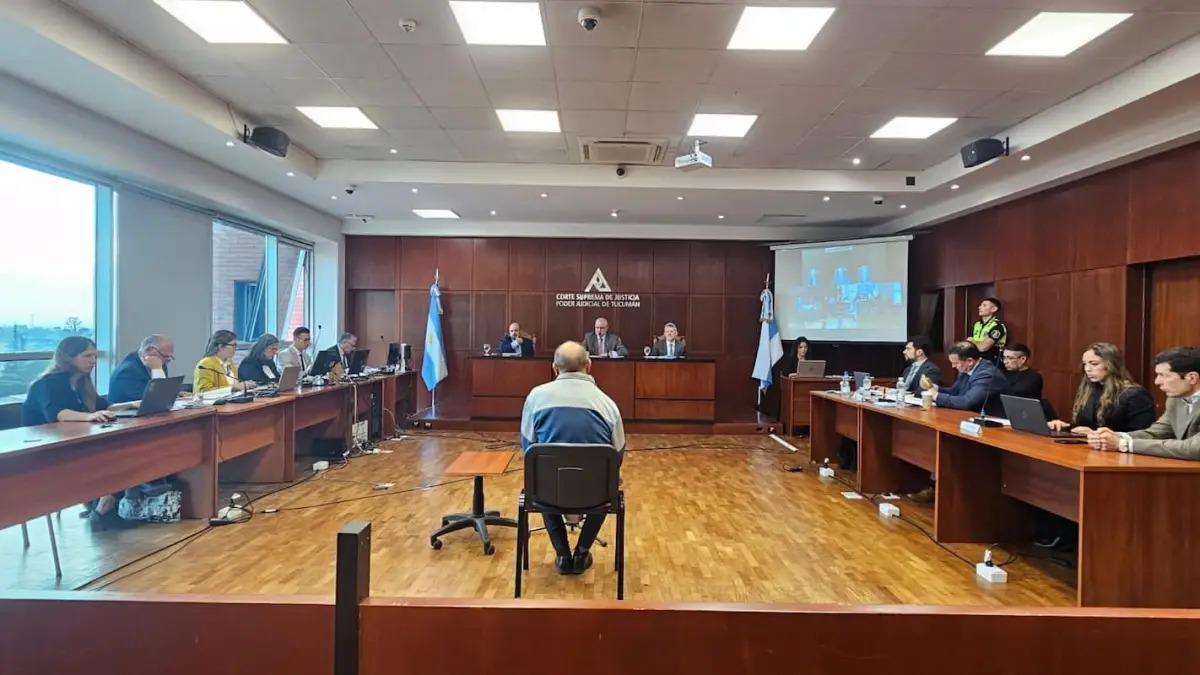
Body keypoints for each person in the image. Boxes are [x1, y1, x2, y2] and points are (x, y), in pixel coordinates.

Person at [520, 341, 626, 576]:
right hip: (595, 495)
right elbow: (617, 454)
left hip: (548, 493)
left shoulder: (536, 398)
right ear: (589, 365)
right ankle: (582, 551)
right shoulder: (607, 404)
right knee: (609, 484)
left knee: (541, 478)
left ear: (554, 368)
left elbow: (528, 448)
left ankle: (562, 554)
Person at [21, 337, 129, 528]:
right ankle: (103, 509)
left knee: (123, 452)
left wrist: (135, 404)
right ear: (68, 357)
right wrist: (89, 416)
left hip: (74, 443)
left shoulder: (81, 383)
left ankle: (104, 506)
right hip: (45, 452)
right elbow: (59, 414)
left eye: (94, 356)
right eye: (87, 356)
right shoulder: (48, 383)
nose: (93, 361)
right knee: (110, 457)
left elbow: (105, 406)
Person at [1089, 346, 1200, 460]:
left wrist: (1123, 444)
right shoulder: (1175, 400)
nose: (1157, 382)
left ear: (1192, 378)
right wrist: (1114, 436)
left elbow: (1194, 449)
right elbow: (1157, 433)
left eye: (1163, 375)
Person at [1048, 342, 1154, 433]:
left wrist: (1095, 434)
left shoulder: (1135, 394)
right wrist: (1065, 427)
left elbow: (1141, 435)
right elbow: (1084, 426)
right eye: (1085, 364)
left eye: (1094, 364)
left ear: (1111, 365)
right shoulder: (1089, 390)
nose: (1087, 369)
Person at [931, 341, 1007, 416]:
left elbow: (967, 402)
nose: (953, 366)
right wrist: (936, 388)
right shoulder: (967, 368)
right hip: (970, 416)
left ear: (970, 361)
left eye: (956, 363)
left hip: (990, 419)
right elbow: (955, 391)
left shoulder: (987, 374)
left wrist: (936, 396)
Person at [107, 334, 174, 403]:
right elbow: (158, 398)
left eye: (170, 357)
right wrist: (157, 370)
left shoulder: (159, 364)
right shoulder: (127, 371)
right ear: (149, 350)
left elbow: (162, 395)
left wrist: (174, 393)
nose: (168, 360)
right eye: (165, 356)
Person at [193, 330, 248, 394]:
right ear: (220, 346)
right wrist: (233, 388)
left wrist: (244, 385)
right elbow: (203, 392)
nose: (236, 348)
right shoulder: (205, 364)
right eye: (233, 345)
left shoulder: (230, 363)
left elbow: (235, 386)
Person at [967, 296, 1007, 366]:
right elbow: (968, 343)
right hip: (975, 360)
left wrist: (973, 341)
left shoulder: (997, 326)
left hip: (991, 362)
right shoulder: (977, 324)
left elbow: (983, 348)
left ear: (994, 309)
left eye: (984, 305)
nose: (979, 307)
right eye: (980, 305)